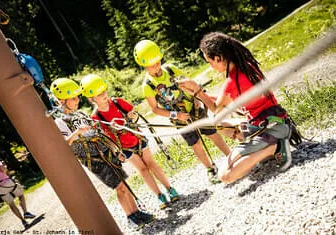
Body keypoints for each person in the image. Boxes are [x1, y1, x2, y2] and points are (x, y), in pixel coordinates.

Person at [178, 32, 293, 184]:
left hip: (269, 128)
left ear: (219, 58)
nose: (211, 66)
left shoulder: (232, 82)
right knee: (224, 127)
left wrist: (196, 90)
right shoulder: (247, 67)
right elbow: (225, 102)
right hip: (278, 122)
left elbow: (216, 110)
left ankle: (275, 147)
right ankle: (267, 150)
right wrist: (199, 94)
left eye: (210, 62)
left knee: (225, 175)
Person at [50, 78, 154, 230]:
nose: (77, 99)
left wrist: (115, 149)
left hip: (106, 152)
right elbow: (64, 144)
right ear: (61, 100)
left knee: (123, 183)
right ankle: (130, 217)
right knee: (119, 186)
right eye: (73, 98)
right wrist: (77, 132)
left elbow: (99, 134)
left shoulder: (80, 114)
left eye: (77, 96)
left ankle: (137, 213)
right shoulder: (60, 121)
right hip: (93, 160)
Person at [134, 40, 231, 184]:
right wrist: (176, 115)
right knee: (195, 143)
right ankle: (210, 169)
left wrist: (198, 99)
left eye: (158, 61)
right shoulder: (148, 86)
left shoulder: (171, 69)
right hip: (179, 118)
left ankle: (231, 155)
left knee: (212, 133)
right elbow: (155, 109)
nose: (156, 65)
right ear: (143, 65)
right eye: (152, 64)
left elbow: (189, 82)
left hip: (194, 107)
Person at [80, 74, 179, 210]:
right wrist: (116, 150)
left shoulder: (117, 102)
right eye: (99, 94)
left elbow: (134, 114)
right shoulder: (96, 117)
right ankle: (159, 195)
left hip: (137, 139)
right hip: (124, 148)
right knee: (143, 169)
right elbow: (105, 139)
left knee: (151, 164)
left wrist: (127, 119)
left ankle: (170, 189)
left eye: (103, 91)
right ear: (91, 99)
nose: (103, 95)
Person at [0, 149, 36, 229]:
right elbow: (4, 170)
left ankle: (23, 221)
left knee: (11, 204)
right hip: (6, 182)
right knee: (20, 195)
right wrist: (4, 166)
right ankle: (26, 212)